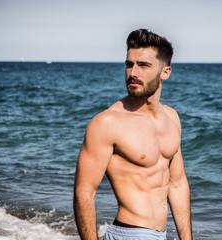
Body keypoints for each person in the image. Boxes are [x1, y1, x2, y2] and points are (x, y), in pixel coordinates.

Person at [73, 29, 192, 240]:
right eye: (129, 64)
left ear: (165, 72)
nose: (133, 73)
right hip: (128, 233)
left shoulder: (172, 118)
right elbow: (84, 193)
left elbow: (177, 184)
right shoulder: (107, 123)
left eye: (143, 65)